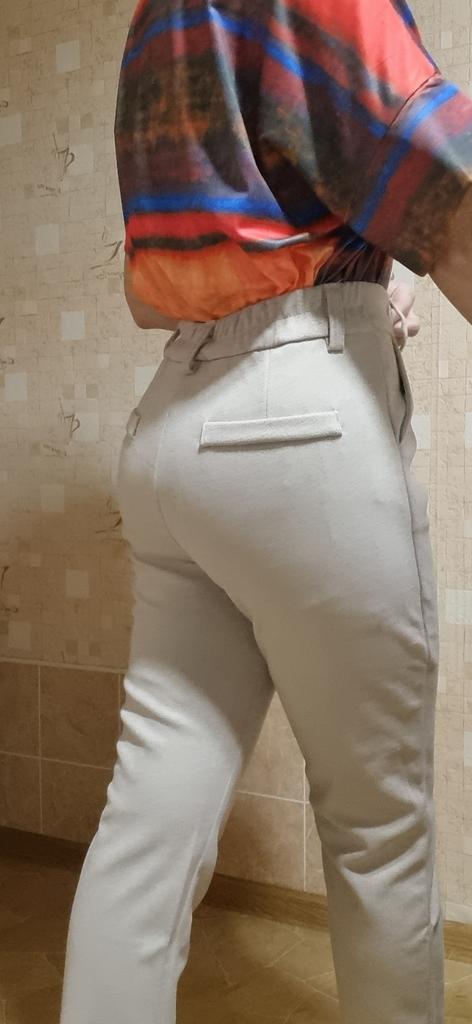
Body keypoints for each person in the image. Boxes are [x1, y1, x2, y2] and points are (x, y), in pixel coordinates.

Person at [59, 2, 472, 1023]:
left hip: (173, 429)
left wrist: (359, 280)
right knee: (377, 830)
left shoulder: (157, 23)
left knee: (148, 828)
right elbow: (449, 191)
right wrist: (338, 297)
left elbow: (158, 286)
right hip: (303, 432)